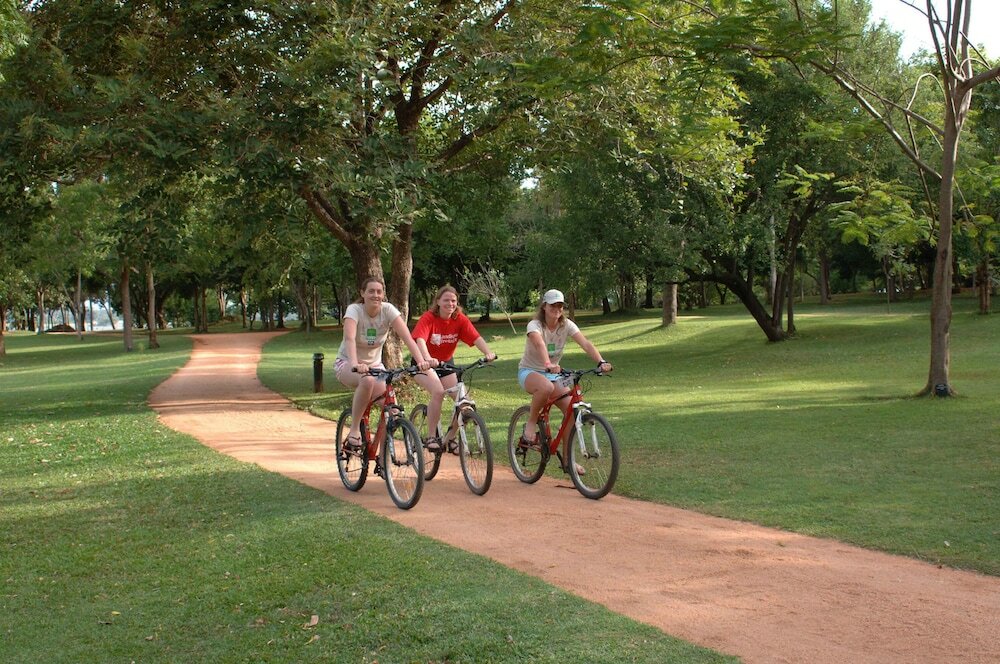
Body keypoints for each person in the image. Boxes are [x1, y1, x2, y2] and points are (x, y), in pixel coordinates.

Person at [335, 276, 431, 449]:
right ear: (362, 293)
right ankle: (355, 429)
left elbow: (408, 338)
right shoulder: (354, 310)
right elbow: (349, 339)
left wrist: (421, 361)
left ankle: (381, 456)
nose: (376, 295)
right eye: (371, 291)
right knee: (367, 379)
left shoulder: (388, 310)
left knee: (392, 411)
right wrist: (356, 364)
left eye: (379, 291)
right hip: (348, 364)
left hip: (376, 367)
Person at [517, 289, 612, 453]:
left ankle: (568, 461)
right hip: (530, 372)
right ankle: (531, 423)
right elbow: (539, 343)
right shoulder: (535, 325)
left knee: (571, 411)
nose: (557, 308)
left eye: (560, 305)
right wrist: (547, 362)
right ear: (544, 306)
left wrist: (601, 361)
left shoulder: (566, 325)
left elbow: (586, 344)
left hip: (553, 374)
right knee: (546, 387)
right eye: (553, 305)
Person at [411, 285, 497, 451]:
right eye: (446, 300)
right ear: (437, 302)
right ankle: (430, 436)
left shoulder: (459, 319)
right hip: (423, 364)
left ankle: (450, 439)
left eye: (453, 300)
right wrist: (427, 358)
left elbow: (476, 337)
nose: (450, 303)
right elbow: (419, 339)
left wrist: (488, 353)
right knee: (438, 391)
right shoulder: (429, 317)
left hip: (445, 364)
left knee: (464, 402)